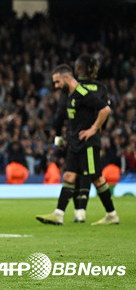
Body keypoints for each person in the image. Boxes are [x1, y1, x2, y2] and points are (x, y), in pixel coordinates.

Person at [37, 65, 119, 226]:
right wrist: (61, 139)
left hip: (88, 143)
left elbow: (105, 109)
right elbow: (61, 118)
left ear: (67, 78)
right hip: (75, 143)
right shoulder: (69, 95)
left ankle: (112, 214)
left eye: (57, 82)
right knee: (68, 176)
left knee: (97, 178)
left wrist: (93, 129)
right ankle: (58, 214)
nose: (56, 86)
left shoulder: (83, 93)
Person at [52, 54, 109, 223]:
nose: (55, 86)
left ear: (76, 70)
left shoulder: (74, 91)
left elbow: (59, 116)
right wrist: (98, 129)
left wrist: (58, 137)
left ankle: (103, 213)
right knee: (73, 175)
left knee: (93, 176)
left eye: (56, 82)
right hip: (81, 139)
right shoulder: (101, 88)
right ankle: (64, 213)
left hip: (83, 139)